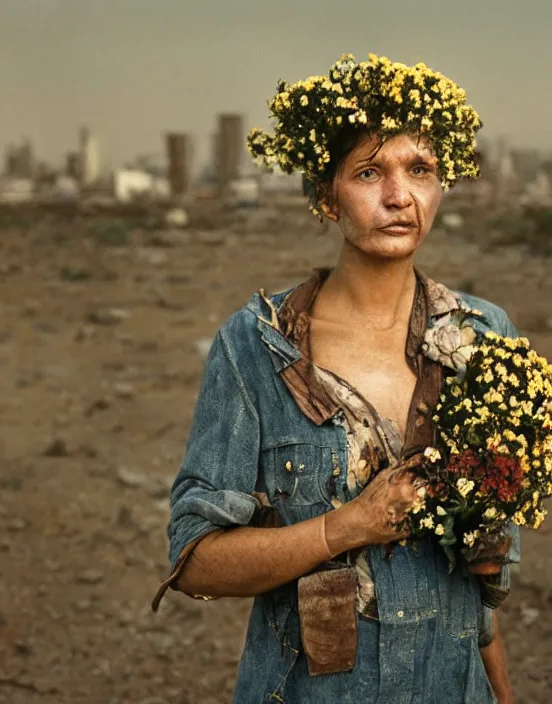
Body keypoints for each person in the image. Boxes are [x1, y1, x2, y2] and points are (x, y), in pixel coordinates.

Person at [152, 54, 519, 703]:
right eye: (369, 171)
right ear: (327, 196)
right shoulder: (257, 347)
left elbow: (482, 594)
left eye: (421, 170)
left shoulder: (483, 338)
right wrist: (346, 526)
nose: (399, 196)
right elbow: (196, 563)